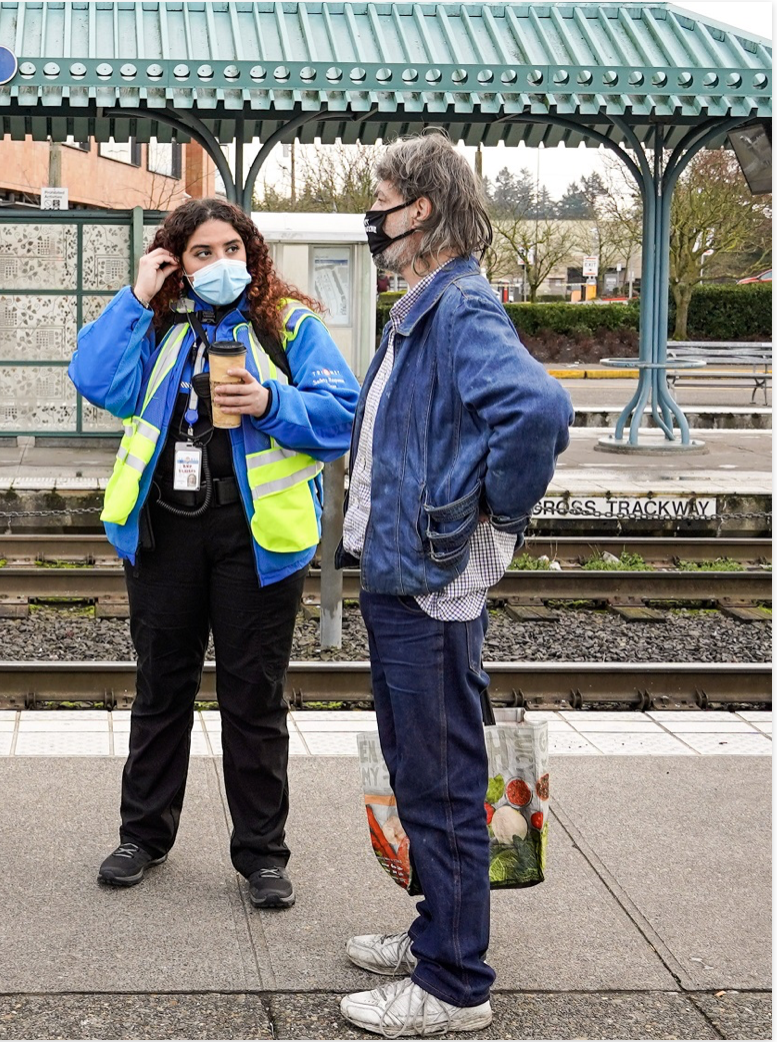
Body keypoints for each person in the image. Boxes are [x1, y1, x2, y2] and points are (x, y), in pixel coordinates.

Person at [336, 131, 573, 1037]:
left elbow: (538, 410)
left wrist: (493, 515)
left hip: (431, 587)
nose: (374, 219)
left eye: (382, 202)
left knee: (439, 783)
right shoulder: (428, 303)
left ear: (421, 211)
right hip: (405, 575)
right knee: (419, 767)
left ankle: (453, 983)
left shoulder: (461, 307)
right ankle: (438, 928)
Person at [69, 198, 360, 908]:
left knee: (253, 699)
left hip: (255, 543)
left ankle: (261, 855)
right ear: (176, 260)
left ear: (252, 253)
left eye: (232, 247)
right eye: (201, 252)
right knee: (160, 690)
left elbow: (342, 414)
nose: (219, 263)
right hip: (165, 533)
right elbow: (96, 379)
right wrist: (139, 293)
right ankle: (143, 835)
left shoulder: (287, 325)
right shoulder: (159, 324)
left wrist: (270, 403)